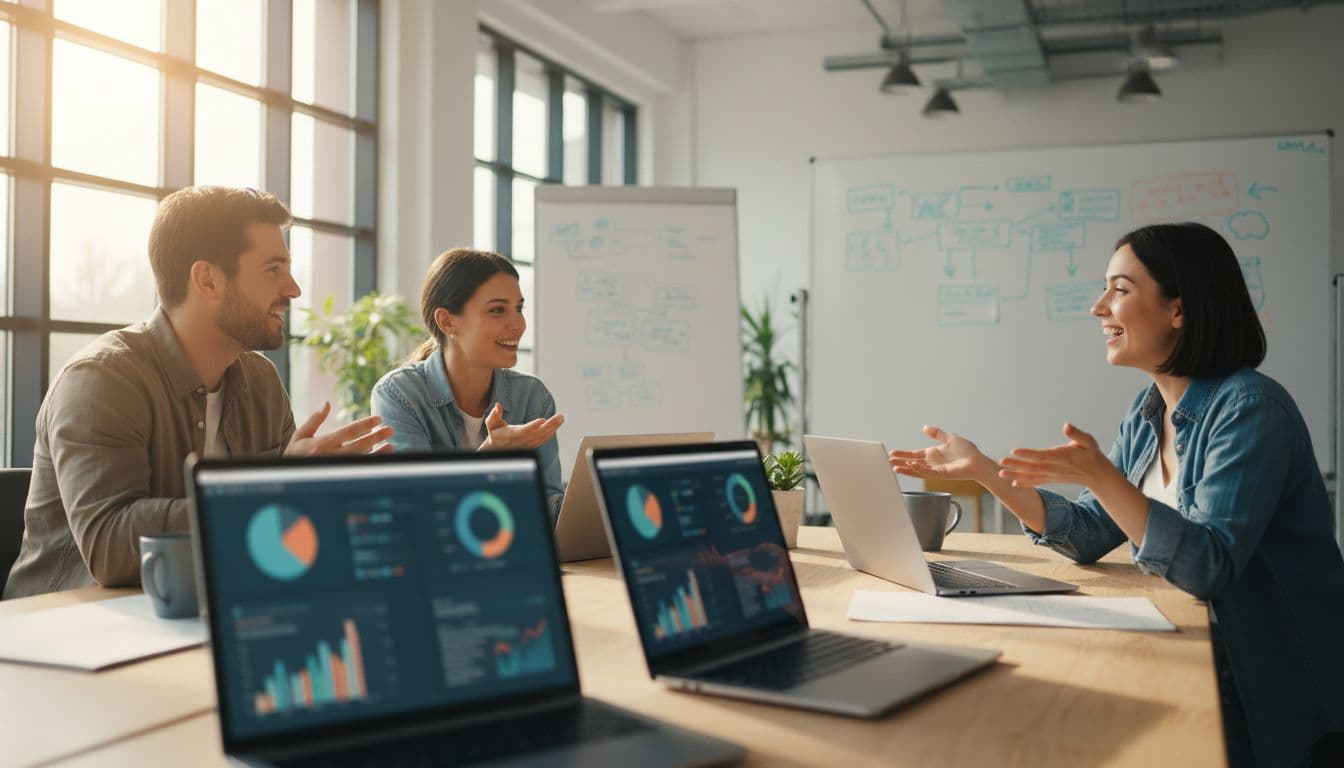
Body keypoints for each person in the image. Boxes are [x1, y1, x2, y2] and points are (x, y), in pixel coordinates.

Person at [889, 222, 1344, 768]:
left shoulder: (1250, 409)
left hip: (1275, 690)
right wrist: (985, 470)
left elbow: (1211, 565)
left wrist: (1104, 477)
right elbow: (1088, 533)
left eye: (1120, 289)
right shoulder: (1147, 411)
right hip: (1200, 653)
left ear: (1179, 308)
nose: (1098, 307)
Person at [4, 187, 392, 599]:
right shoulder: (100, 380)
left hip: (196, 617)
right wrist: (276, 491)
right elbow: (110, 547)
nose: (293, 289)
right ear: (207, 279)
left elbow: (279, 529)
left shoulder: (260, 381)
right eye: (273, 270)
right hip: (65, 632)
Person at [372, 248, 565, 516]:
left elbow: (548, 507)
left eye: (518, 309)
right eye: (498, 310)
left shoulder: (533, 396)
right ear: (447, 321)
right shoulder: (399, 395)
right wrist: (491, 453)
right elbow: (417, 508)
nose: (518, 325)